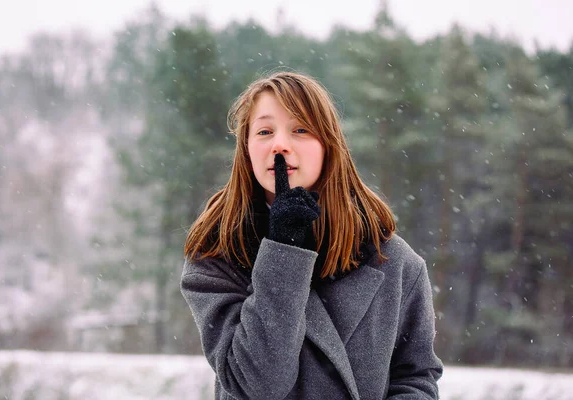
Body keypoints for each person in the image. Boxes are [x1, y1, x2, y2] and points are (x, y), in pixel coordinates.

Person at [180, 71, 443, 399]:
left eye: (300, 129)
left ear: (328, 145)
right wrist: (283, 251)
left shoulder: (394, 261)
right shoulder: (218, 254)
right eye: (264, 131)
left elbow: (415, 378)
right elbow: (258, 385)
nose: (279, 144)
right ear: (246, 150)